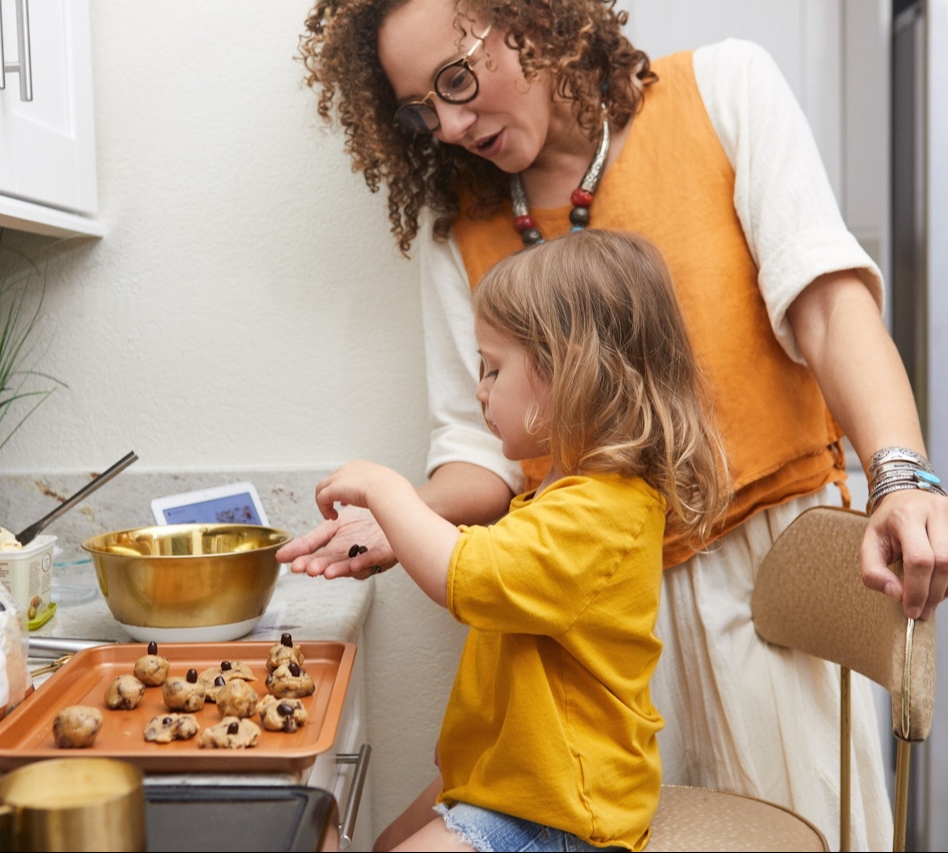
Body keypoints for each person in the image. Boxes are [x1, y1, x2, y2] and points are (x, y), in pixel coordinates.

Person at [280, 1, 948, 848]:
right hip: (579, 627)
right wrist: (402, 516)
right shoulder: (457, 224)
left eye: (457, 78)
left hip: (767, 583)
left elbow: (824, 309)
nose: (447, 124)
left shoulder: (723, 90)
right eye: (421, 108)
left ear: (531, 22)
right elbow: (479, 455)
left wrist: (901, 471)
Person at [315, 230, 728, 852]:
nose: (480, 390)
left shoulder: (603, 509)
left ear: (570, 371)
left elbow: (473, 576)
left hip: (560, 810)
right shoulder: (571, 495)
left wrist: (386, 489)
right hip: (517, 783)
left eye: (494, 368)